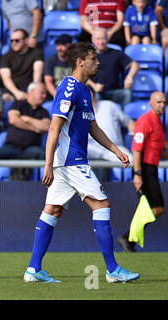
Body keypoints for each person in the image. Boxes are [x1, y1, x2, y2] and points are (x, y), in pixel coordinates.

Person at [24, 42, 140, 283]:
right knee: (102, 205)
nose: (98, 62)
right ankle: (112, 270)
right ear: (80, 62)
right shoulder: (68, 87)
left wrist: (115, 150)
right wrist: (47, 164)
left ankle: (33, 270)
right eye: (93, 58)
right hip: (70, 160)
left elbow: (92, 127)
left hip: (67, 162)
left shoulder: (85, 91)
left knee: (52, 210)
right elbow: (54, 128)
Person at [117, 91, 168, 252]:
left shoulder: (158, 122)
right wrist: (138, 174)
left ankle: (128, 239)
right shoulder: (145, 121)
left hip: (151, 169)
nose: (162, 105)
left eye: (164, 102)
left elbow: (158, 150)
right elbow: (137, 150)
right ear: (150, 103)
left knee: (155, 208)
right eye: (159, 102)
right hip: (143, 169)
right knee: (155, 208)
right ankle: (127, 238)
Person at [0, 82, 50, 180]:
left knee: (43, 154)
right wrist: (35, 128)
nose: (44, 96)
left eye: (45, 94)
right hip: (11, 147)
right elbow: (13, 120)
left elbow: (46, 126)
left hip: (31, 149)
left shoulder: (44, 111)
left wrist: (27, 119)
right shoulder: (18, 104)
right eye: (42, 93)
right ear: (32, 92)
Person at [87, 28, 140, 108]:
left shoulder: (116, 53)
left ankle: (123, 118)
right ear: (93, 40)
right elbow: (81, 75)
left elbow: (135, 65)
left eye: (103, 38)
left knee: (127, 94)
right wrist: (94, 86)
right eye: (98, 39)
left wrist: (130, 77)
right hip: (97, 92)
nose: (101, 42)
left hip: (115, 91)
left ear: (108, 39)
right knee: (96, 96)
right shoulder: (88, 56)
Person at [87, 86, 135, 163]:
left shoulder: (109, 105)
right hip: (92, 149)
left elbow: (129, 122)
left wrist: (134, 135)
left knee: (131, 160)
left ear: (91, 94)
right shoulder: (78, 112)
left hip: (114, 149)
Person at [0, 28, 44, 102]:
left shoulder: (36, 53)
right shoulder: (6, 56)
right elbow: (6, 79)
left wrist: (32, 93)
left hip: (30, 88)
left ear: (26, 40)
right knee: (4, 97)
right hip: (12, 90)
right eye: (11, 41)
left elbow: (37, 76)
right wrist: (17, 93)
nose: (14, 43)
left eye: (17, 40)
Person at [43, 34, 73, 99]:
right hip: (55, 95)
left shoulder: (75, 61)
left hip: (72, 94)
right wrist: (58, 97)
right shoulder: (50, 61)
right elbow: (48, 82)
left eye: (62, 45)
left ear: (69, 46)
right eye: (58, 45)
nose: (59, 48)